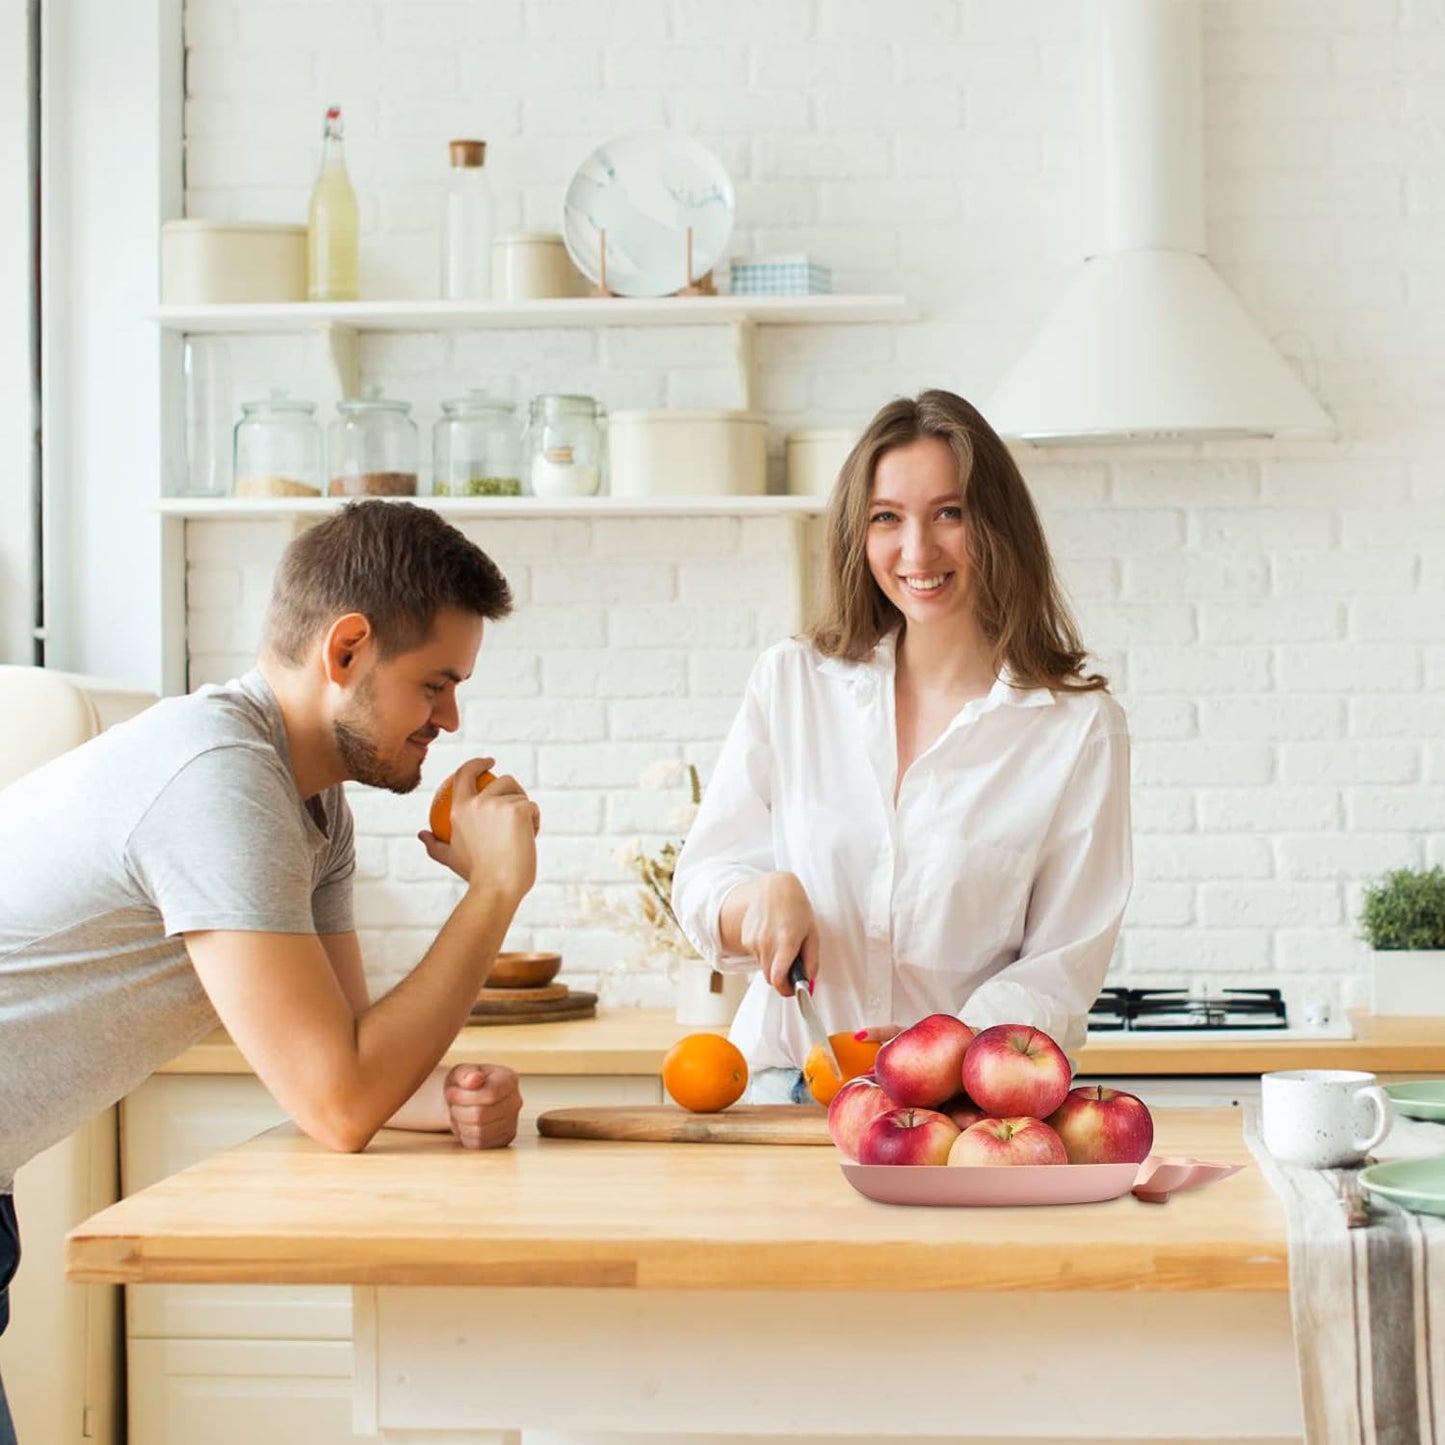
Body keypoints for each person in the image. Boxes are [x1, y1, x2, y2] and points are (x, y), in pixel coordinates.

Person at [0, 501, 540, 1438]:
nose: (451, 719)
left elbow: (346, 1054)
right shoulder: (218, 779)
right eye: (435, 684)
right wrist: (494, 891)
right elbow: (340, 1103)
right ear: (347, 649)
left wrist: (444, 1100)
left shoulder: (313, 808)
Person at [671, 389, 1132, 1102]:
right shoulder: (794, 681)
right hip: (780, 1091)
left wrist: (938, 1051)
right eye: (886, 517)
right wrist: (757, 897)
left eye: (950, 513)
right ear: (858, 533)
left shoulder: (1076, 728)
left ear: (998, 526)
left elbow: (1062, 963)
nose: (917, 551)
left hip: (961, 1111)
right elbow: (703, 878)